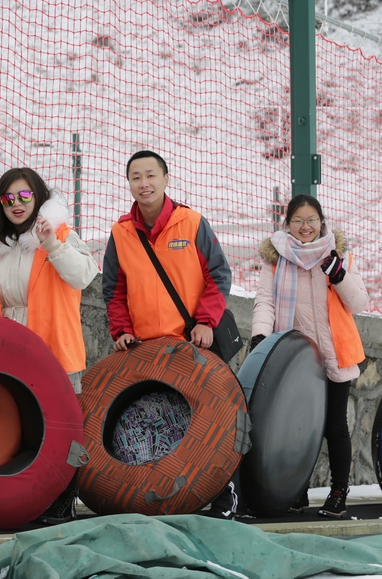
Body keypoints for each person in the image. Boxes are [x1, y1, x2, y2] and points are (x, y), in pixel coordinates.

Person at [101, 150, 235, 518]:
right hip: (146, 354)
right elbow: (113, 290)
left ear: (166, 178)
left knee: (218, 421)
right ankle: (163, 499)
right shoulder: (120, 232)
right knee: (163, 427)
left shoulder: (191, 223)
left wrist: (206, 323)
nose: (144, 183)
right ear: (128, 183)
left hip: (192, 345)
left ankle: (227, 496)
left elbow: (218, 276)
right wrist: (122, 331)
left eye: (150, 175)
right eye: (136, 177)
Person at [0, 167, 98, 525]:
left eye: (24, 196)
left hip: (53, 345)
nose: (17, 204)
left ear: (38, 197)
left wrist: (52, 243)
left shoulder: (60, 233)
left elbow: (83, 274)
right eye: (8, 198)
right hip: (8, 344)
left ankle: (62, 498)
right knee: (18, 423)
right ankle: (19, 497)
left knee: (61, 428)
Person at [249, 194, 368, 519]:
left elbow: (359, 302)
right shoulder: (276, 258)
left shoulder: (338, 255)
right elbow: (265, 300)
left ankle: (339, 492)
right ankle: (296, 491)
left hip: (334, 354)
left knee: (334, 426)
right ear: (287, 224)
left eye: (311, 220)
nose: (305, 226)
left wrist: (339, 275)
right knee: (295, 426)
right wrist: (260, 334)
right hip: (294, 359)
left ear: (322, 221)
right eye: (298, 221)